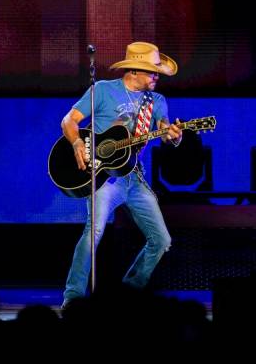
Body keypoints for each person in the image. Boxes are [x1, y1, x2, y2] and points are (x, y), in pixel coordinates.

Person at [61, 42, 183, 308]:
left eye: (157, 71)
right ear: (134, 71)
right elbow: (69, 120)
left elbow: (164, 131)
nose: (156, 76)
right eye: (152, 71)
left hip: (133, 178)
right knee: (94, 231)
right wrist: (77, 143)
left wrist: (174, 136)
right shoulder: (103, 90)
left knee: (161, 240)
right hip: (103, 176)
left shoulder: (157, 101)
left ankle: (128, 295)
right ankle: (73, 297)